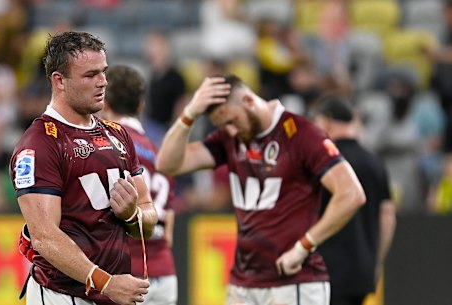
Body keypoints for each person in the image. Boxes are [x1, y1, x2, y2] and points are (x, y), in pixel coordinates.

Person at [156, 75, 366, 305]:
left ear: (248, 100)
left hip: (292, 281)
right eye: (224, 125)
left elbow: (351, 194)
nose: (231, 131)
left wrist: (304, 245)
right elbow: (167, 163)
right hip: (243, 283)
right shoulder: (230, 138)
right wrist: (189, 114)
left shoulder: (300, 133)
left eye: (232, 121)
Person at [9, 31, 157, 305]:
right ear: (59, 80)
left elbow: (148, 218)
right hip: (64, 295)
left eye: (104, 72)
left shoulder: (118, 135)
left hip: (113, 293)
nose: (103, 83)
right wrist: (106, 282)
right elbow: (44, 236)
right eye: (90, 75)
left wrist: (131, 215)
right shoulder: (39, 144)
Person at [100, 65, 178, 305]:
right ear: (140, 106)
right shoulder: (160, 152)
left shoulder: (106, 145)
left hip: (125, 275)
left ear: (104, 103)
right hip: (164, 275)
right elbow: (170, 231)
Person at [313, 95, 396, 305]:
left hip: (328, 269)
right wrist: (376, 262)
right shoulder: (375, 162)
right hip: (362, 270)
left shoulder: (325, 161)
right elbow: (387, 216)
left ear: (326, 121)